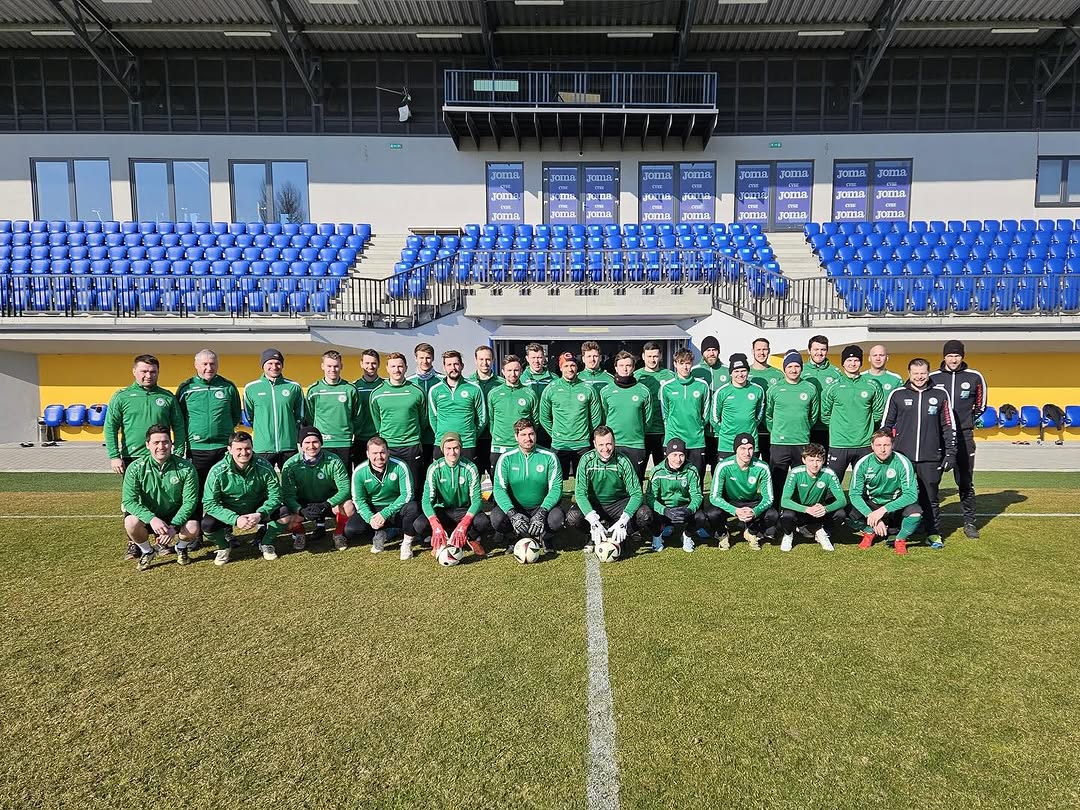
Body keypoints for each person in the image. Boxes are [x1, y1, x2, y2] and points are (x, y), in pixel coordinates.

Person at [882, 358, 957, 549]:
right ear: (909, 374)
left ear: (928, 373)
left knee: (930, 497)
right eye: (915, 373)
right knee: (898, 495)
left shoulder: (940, 394)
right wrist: (885, 452)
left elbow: (948, 425)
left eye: (923, 373)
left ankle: (933, 533)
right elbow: (886, 426)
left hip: (931, 457)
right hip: (902, 457)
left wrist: (951, 452)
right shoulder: (897, 394)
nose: (919, 377)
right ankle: (895, 532)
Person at [121, 425, 200, 570]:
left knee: (193, 527)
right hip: (150, 516)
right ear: (147, 445)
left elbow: (190, 501)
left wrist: (174, 526)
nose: (161, 447)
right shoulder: (135, 468)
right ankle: (147, 551)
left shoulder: (186, 468)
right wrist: (151, 518)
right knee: (130, 522)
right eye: (156, 443)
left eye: (165, 442)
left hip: (175, 515)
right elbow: (129, 501)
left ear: (171, 444)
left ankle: (181, 548)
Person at [930, 340, 987, 539]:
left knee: (965, 481)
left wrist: (965, 422)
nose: (953, 359)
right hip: (938, 437)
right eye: (950, 356)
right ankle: (929, 521)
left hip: (964, 437)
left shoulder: (974, 377)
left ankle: (969, 522)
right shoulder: (933, 377)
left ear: (962, 357)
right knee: (931, 481)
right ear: (944, 357)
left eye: (957, 356)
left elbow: (981, 406)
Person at [565, 426, 651, 554]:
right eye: (601, 445)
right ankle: (593, 533)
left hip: (619, 504)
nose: (605, 449)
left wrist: (624, 520)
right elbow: (580, 494)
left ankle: (619, 533)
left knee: (645, 515)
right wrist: (593, 520)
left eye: (609, 444)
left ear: (614, 442)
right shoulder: (586, 461)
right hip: (595, 504)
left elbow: (637, 494)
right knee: (573, 517)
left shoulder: (623, 461)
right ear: (594, 444)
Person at [201, 431, 283, 566]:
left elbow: (276, 495)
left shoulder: (264, 466)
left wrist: (260, 513)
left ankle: (266, 543)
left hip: (257, 509)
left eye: (247, 448)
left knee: (285, 514)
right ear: (229, 449)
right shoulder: (217, 471)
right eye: (239, 449)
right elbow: (209, 503)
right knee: (207, 525)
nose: (244, 452)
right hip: (230, 510)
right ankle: (223, 547)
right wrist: (234, 519)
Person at [175, 348, 242, 500]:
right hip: (197, 448)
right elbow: (179, 418)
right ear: (196, 365)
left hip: (223, 447)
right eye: (204, 364)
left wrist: (222, 431)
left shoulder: (228, 387)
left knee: (225, 487)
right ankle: (197, 516)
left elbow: (235, 414)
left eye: (212, 364)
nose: (209, 368)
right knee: (197, 489)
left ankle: (223, 516)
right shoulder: (186, 388)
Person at [491, 418, 565, 553]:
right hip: (516, 508)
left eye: (531, 434)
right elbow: (499, 489)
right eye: (523, 435)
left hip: (540, 507)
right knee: (497, 518)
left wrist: (542, 512)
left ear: (535, 434)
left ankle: (545, 537)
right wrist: (512, 514)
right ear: (516, 437)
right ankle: (513, 537)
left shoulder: (549, 456)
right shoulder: (506, 458)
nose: (528, 438)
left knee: (557, 518)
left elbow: (556, 488)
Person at [105, 354, 187, 476]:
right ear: (134, 372)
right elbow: (110, 427)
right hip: (132, 456)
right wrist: (114, 456)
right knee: (133, 489)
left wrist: (179, 452)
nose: (148, 376)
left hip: (161, 455)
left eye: (153, 372)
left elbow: (178, 426)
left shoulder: (168, 397)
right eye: (144, 371)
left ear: (158, 372)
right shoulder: (121, 397)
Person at [276, 426, 354, 552]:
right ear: (301, 445)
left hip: (328, 502)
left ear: (321, 443)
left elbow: (345, 489)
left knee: (348, 506)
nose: (311, 446)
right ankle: (300, 534)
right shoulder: (290, 465)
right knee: (284, 513)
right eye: (307, 442)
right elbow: (288, 495)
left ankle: (338, 535)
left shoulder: (334, 460)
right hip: (304, 505)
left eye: (315, 442)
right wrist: (300, 510)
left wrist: (327, 504)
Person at [846, 429, 922, 555]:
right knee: (845, 514)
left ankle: (900, 539)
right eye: (878, 445)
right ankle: (869, 531)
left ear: (893, 445)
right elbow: (854, 494)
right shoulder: (863, 463)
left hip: (896, 504)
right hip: (873, 503)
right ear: (872, 446)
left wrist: (882, 511)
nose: (882, 449)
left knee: (915, 514)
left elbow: (911, 495)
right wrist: (870, 515)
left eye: (886, 445)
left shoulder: (903, 462)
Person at [414, 432, 490, 558]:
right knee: (419, 524)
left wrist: (464, 524)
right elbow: (426, 501)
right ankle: (440, 539)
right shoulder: (434, 468)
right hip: (442, 510)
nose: (452, 452)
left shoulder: (470, 467)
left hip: (463, 510)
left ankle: (472, 539)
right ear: (442, 450)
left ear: (461, 448)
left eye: (456, 448)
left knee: (483, 522)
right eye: (448, 448)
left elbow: (477, 500)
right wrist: (435, 524)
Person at [345, 436, 420, 559]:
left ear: (388, 452)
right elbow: (358, 500)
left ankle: (406, 544)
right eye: (374, 453)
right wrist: (370, 519)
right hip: (374, 509)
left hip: (395, 508)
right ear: (367, 454)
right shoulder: (359, 471)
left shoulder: (400, 466)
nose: (379, 457)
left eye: (382, 452)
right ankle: (379, 532)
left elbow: (407, 495)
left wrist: (385, 513)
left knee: (413, 508)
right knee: (351, 529)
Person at [821, 345, 884, 480]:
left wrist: (864, 427)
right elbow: (825, 414)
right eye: (849, 360)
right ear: (843, 363)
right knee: (832, 483)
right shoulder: (833, 386)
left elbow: (878, 412)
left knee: (864, 483)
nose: (852, 363)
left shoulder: (872, 385)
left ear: (861, 362)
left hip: (864, 444)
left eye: (856, 360)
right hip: (839, 444)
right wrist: (839, 428)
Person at [705, 433, 777, 551]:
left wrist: (754, 511)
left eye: (750, 448)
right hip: (730, 501)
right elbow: (714, 496)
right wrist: (735, 510)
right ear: (736, 450)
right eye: (742, 448)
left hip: (751, 502)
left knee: (772, 515)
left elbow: (768, 498)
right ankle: (723, 534)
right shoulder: (723, 465)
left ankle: (751, 532)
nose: (747, 453)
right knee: (712, 513)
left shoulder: (762, 467)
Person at [368, 352, 427, 497]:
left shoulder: (417, 392)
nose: (397, 370)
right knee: (391, 486)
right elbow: (377, 421)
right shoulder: (377, 393)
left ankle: (414, 510)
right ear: (387, 368)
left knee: (414, 486)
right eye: (393, 366)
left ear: (406, 367)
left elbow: (423, 419)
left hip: (411, 446)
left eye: (400, 366)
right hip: (388, 447)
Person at [765, 350, 820, 497]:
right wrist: (777, 431)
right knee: (777, 481)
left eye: (797, 366)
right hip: (779, 443)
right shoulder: (775, 389)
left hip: (801, 442)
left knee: (801, 482)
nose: (793, 370)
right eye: (790, 366)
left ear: (801, 368)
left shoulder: (810, 388)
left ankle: (798, 508)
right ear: (784, 368)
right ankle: (775, 508)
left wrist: (803, 428)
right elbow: (768, 415)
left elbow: (813, 416)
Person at [539, 352, 602, 479]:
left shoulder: (588, 388)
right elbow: (544, 417)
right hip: (559, 445)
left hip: (582, 444)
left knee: (584, 480)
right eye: (566, 366)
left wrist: (585, 433)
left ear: (577, 367)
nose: (570, 369)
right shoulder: (551, 389)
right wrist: (555, 434)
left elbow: (596, 417)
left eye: (572, 365)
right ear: (560, 367)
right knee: (557, 480)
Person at [777, 443, 846, 553]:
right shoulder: (795, 473)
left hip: (818, 510)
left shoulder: (829, 473)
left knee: (840, 514)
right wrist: (806, 509)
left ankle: (823, 533)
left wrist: (825, 509)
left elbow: (842, 500)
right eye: (811, 460)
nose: (815, 464)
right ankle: (788, 535)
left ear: (823, 460)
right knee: (787, 515)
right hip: (800, 510)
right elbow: (784, 501)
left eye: (818, 460)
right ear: (804, 460)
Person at [242, 348, 304, 470]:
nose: (274, 367)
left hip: (288, 446)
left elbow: (300, 415)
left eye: (278, 363)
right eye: (270, 363)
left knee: (292, 479)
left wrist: (289, 429)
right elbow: (249, 417)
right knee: (262, 480)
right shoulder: (251, 388)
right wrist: (263, 429)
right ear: (263, 365)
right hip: (262, 447)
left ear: (282, 365)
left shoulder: (294, 387)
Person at [599, 350, 654, 480]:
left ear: (633, 367)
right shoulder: (606, 391)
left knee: (636, 482)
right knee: (614, 483)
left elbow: (647, 420)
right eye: (621, 365)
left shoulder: (644, 391)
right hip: (613, 444)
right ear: (615, 367)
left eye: (628, 365)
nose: (625, 369)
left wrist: (637, 432)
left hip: (636, 444)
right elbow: (604, 415)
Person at [645, 438, 706, 553]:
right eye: (674, 455)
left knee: (701, 517)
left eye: (681, 455)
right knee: (646, 514)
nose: (678, 459)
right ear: (667, 454)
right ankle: (657, 536)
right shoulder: (657, 471)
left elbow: (697, 495)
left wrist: (689, 510)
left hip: (684, 507)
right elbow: (650, 498)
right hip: (665, 508)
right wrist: (665, 510)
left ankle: (687, 535)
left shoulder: (691, 470)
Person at [660, 348, 712, 478]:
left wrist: (698, 426)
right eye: (681, 363)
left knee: (697, 479)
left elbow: (706, 413)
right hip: (673, 439)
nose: (685, 367)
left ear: (692, 364)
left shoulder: (702, 385)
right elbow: (665, 414)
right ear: (675, 364)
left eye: (688, 363)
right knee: (673, 480)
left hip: (696, 441)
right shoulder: (666, 387)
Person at [428, 349, 486, 463]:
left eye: (456, 364)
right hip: (442, 444)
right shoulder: (435, 390)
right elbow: (433, 418)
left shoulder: (474, 388)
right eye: (449, 365)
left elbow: (482, 418)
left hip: (467, 443)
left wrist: (471, 434)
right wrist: (443, 435)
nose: (453, 368)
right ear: (444, 367)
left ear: (462, 366)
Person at [305, 350, 360, 468]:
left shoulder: (350, 389)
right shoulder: (314, 390)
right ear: (322, 366)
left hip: (344, 442)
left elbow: (356, 416)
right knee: (323, 477)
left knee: (344, 477)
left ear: (341, 366)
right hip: (322, 443)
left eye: (336, 366)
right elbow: (310, 416)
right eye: (329, 366)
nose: (333, 369)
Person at [486, 354, 539, 473]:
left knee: (521, 480)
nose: (513, 374)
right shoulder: (494, 393)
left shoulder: (529, 393)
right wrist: (499, 435)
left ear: (521, 371)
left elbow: (535, 420)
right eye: (509, 370)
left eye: (516, 370)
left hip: (521, 446)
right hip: (499, 445)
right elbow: (491, 420)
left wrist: (524, 438)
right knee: (498, 481)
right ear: (503, 372)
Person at [711, 353, 765, 466]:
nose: (740, 374)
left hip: (750, 444)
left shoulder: (757, 390)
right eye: (736, 371)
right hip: (727, 444)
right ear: (731, 373)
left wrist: (750, 426)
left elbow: (759, 415)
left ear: (748, 372)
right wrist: (727, 431)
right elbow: (714, 418)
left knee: (750, 475)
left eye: (743, 371)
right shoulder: (722, 392)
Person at [691, 335, 729, 473]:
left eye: (714, 350)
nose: (711, 353)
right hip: (701, 431)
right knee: (698, 469)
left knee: (719, 469)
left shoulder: (727, 371)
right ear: (702, 352)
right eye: (708, 350)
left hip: (721, 432)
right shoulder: (694, 371)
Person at [635, 341, 676, 467]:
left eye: (655, 356)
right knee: (639, 471)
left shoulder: (670, 376)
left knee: (664, 469)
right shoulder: (636, 376)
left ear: (660, 356)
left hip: (663, 432)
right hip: (643, 432)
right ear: (643, 356)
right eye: (649, 356)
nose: (652, 360)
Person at [408, 342, 443, 473]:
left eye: (428, 357)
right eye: (421, 357)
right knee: (418, 473)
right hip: (416, 437)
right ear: (416, 358)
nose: (425, 361)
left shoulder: (443, 380)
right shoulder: (409, 382)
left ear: (433, 358)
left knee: (436, 472)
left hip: (437, 436)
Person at [749, 337, 784, 462]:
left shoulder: (778, 374)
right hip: (751, 429)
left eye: (764, 349)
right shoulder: (744, 373)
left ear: (769, 351)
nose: (762, 353)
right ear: (752, 351)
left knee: (771, 467)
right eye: (758, 349)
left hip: (771, 430)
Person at [802, 335, 840, 447]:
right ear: (809, 350)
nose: (819, 353)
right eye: (816, 349)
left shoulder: (836, 373)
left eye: (823, 349)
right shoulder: (800, 370)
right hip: (806, 425)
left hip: (828, 427)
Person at [468, 345, 501, 478]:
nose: (485, 363)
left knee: (496, 474)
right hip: (474, 437)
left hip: (494, 438)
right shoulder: (467, 383)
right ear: (476, 360)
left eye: (488, 359)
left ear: (493, 360)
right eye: (481, 359)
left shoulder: (501, 383)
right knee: (474, 475)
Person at [351, 349, 384, 469]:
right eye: (367, 363)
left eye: (374, 363)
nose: (370, 366)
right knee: (361, 471)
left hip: (381, 437)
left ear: (379, 364)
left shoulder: (384, 385)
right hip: (360, 438)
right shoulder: (354, 387)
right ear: (361, 364)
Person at [521, 342, 554, 446]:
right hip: (527, 432)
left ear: (544, 358)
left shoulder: (554, 379)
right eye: (533, 358)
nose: (536, 361)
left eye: (539, 357)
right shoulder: (521, 379)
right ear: (527, 358)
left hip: (549, 432)